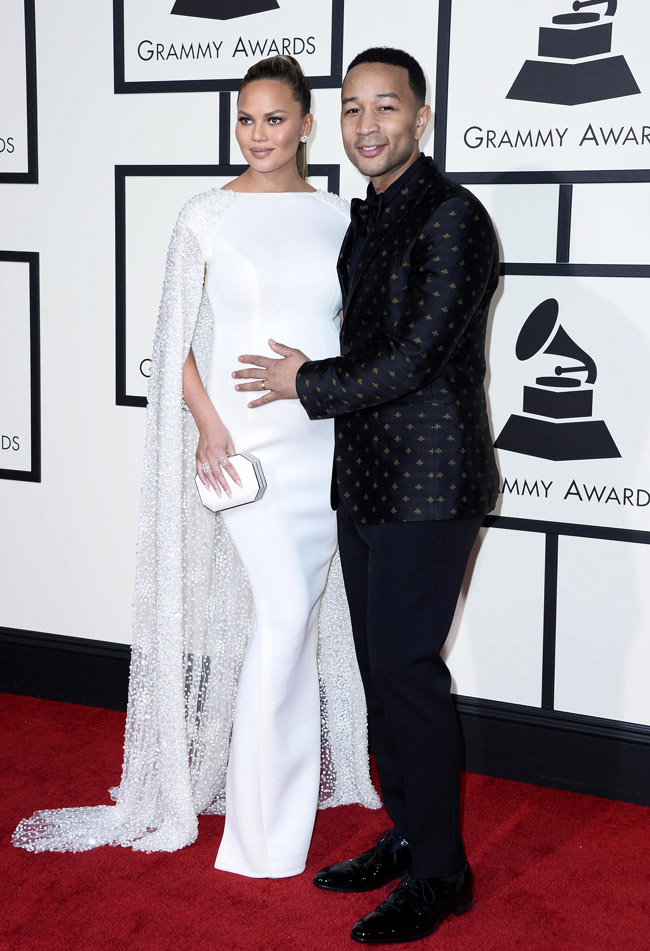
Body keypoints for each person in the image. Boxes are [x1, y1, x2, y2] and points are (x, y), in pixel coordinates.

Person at [12, 55, 379, 875]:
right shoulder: (206, 215)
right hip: (243, 447)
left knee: (288, 627)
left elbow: (355, 331)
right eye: (245, 119)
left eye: (274, 118)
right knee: (284, 618)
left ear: (308, 124)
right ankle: (261, 835)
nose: (257, 134)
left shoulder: (343, 216)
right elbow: (169, 345)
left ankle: (266, 806)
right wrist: (209, 427)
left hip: (322, 440)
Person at [232, 47, 500, 939]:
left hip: (430, 485)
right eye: (350, 109)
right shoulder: (367, 218)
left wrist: (306, 383)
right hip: (365, 483)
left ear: (421, 117)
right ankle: (411, 830)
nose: (365, 125)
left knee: (407, 676)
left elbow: (418, 356)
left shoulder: (454, 217)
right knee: (383, 677)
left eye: (385, 107)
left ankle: (443, 875)